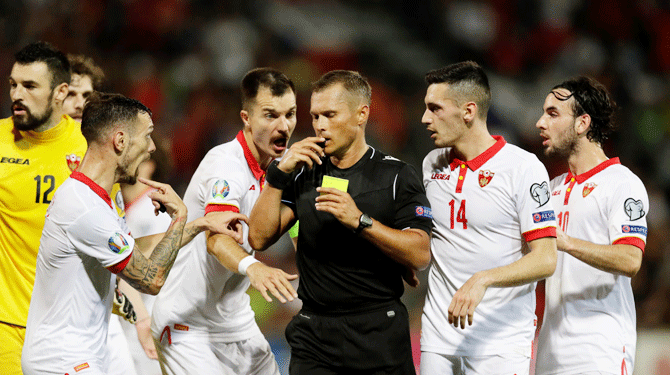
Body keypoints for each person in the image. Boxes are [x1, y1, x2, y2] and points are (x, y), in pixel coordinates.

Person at [20, 93, 245, 375]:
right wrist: (180, 217)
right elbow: (150, 280)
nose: (152, 147)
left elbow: (134, 250)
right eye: (147, 135)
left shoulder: (103, 197)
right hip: (62, 360)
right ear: (121, 141)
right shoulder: (84, 206)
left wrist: (200, 225)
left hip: (79, 355)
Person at [248, 70, 432, 375]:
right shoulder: (305, 171)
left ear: (362, 114)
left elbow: (421, 254)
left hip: (378, 332)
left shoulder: (396, 176)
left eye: (330, 115)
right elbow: (258, 238)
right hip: (315, 335)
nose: (320, 125)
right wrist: (278, 176)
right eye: (315, 116)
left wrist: (360, 221)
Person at [151, 68, 299, 375]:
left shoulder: (278, 171)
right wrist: (254, 267)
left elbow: (291, 229)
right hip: (188, 323)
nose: (283, 126)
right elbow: (216, 238)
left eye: (290, 114)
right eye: (270, 115)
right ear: (246, 117)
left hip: (235, 319)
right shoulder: (226, 166)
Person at [419, 61, 557, 375]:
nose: (425, 118)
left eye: (435, 108)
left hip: (500, 344)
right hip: (438, 339)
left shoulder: (523, 168)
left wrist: (482, 279)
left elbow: (546, 259)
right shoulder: (432, 164)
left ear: (468, 111)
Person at [534, 77, 648, 374]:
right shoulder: (552, 188)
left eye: (552, 113)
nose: (540, 122)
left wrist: (565, 241)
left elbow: (630, 259)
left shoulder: (622, 183)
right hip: (550, 352)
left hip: (600, 350)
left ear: (583, 123)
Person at [0, 41, 82, 375]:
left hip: (73, 328)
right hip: (9, 326)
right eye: (13, 85)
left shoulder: (91, 147)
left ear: (61, 92)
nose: (17, 94)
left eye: (30, 86)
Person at [63, 52, 145, 375]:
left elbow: (118, 240)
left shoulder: (106, 164)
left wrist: (137, 310)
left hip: (102, 310)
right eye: (72, 93)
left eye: (87, 96)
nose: (79, 103)